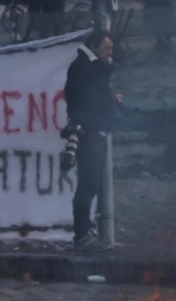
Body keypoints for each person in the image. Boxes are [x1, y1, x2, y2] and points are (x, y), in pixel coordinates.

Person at [63, 29, 121, 250]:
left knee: (91, 185)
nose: (110, 52)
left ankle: (87, 231)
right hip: (88, 133)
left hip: (95, 131)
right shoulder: (83, 67)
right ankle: (82, 235)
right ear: (95, 46)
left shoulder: (91, 66)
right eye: (107, 48)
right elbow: (85, 99)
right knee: (87, 186)